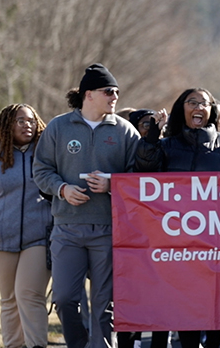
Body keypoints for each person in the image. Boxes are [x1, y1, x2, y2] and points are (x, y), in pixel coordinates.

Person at [33, 63, 140, 348]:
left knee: (104, 303)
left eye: (117, 91)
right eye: (109, 91)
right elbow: (41, 170)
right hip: (66, 228)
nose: (115, 96)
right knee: (65, 298)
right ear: (88, 94)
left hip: (108, 229)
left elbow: (139, 178)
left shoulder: (126, 132)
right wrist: (62, 189)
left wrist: (112, 185)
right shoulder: (58, 127)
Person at [136, 87, 220, 348]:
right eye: (192, 102)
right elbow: (143, 175)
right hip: (177, 243)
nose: (199, 107)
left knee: (214, 305)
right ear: (181, 109)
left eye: (204, 103)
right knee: (183, 307)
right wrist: (152, 138)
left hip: (217, 242)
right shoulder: (166, 146)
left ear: (211, 111)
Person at [0, 103, 52, 348]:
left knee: (30, 294)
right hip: (1, 240)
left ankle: (36, 344)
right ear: (7, 125)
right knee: (9, 299)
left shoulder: (46, 156)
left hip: (39, 238)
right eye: (20, 121)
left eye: (31, 121)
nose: (28, 125)